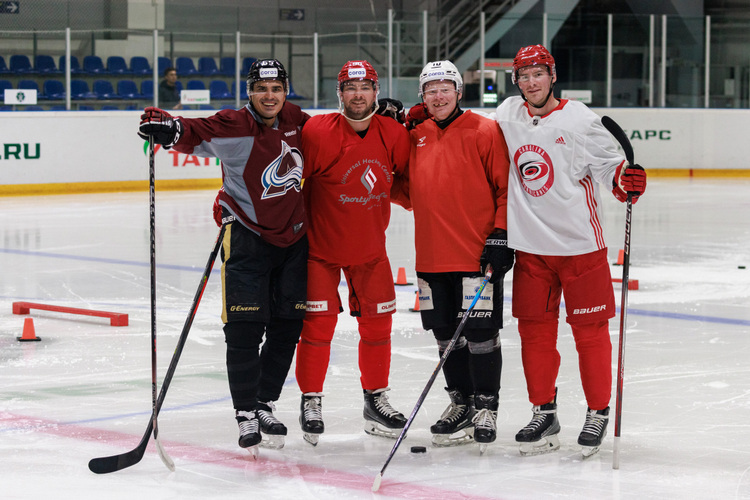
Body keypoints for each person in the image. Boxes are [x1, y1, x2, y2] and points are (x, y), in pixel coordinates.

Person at [138, 59, 310, 454]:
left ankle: (264, 403)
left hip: (295, 240)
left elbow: (338, 131)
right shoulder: (235, 124)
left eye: (277, 89)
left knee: (287, 327)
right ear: (250, 92)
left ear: (286, 91)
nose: (270, 96)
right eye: (261, 89)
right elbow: (193, 131)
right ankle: (245, 411)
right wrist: (169, 128)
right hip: (248, 238)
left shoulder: (297, 120)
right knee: (244, 329)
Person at [494, 44, 647, 458]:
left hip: (581, 248)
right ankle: (543, 412)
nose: (531, 83)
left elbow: (609, 167)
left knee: (590, 334)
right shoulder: (507, 115)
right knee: (534, 333)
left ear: (553, 76)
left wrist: (625, 179)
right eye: (524, 76)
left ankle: (598, 411)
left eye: (538, 74)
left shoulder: (579, 119)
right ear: (516, 81)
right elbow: (471, 136)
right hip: (531, 250)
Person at [392, 60, 513, 452]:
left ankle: (486, 406)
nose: (438, 95)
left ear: (459, 92)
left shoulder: (484, 129)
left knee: (480, 335)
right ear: (422, 97)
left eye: (446, 88)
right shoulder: (415, 135)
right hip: (431, 257)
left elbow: (505, 187)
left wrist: (501, 235)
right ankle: (461, 402)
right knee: (445, 336)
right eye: (431, 90)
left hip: (475, 254)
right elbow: (407, 193)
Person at [294, 60, 410, 445]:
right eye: (350, 87)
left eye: (365, 87)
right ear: (339, 93)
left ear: (376, 92)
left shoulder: (394, 133)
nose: (358, 95)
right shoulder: (317, 132)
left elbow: (407, 184)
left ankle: (375, 400)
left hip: (371, 252)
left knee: (378, 328)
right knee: (317, 329)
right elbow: (288, 180)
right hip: (319, 252)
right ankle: (311, 400)